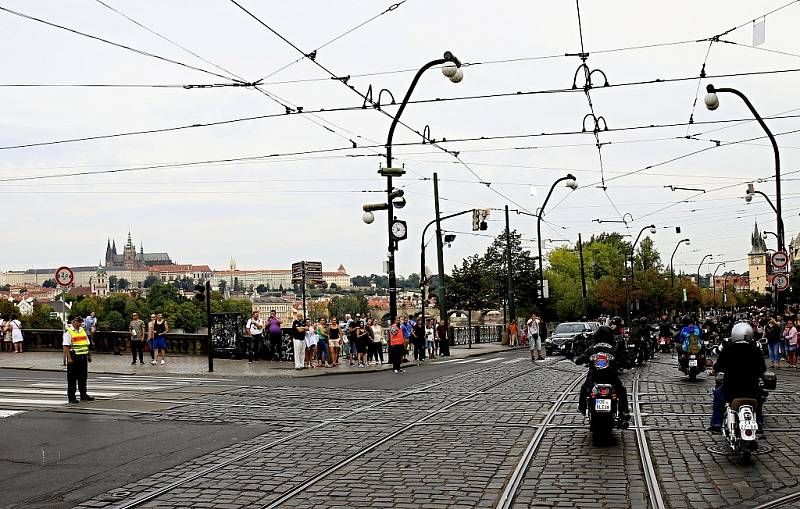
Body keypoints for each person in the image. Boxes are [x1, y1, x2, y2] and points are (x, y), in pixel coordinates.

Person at [708, 321, 767, 432]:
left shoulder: (728, 349)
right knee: (759, 399)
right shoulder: (756, 350)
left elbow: (718, 366)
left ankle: (716, 423)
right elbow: (762, 369)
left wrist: (714, 371)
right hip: (752, 389)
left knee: (717, 394)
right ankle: (758, 422)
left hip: (731, 390)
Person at [575, 325, 630, 420]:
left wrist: (580, 360)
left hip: (594, 379)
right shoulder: (614, 349)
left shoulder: (591, 349)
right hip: (611, 379)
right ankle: (623, 411)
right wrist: (628, 364)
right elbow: (624, 362)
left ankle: (582, 408)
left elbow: (579, 360)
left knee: (584, 389)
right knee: (622, 390)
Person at [62, 316, 94, 404]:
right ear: (73, 322)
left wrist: (89, 355)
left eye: (81, 321)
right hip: (74, 357)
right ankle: (71, 397)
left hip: (83, 356)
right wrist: (69, 357)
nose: (80, 323)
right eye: (78, 321)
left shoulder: (82, 330)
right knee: (72, 378)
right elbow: (66, 346)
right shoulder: (68, 331)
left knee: (83, 377)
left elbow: (86, 343)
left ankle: (83, 395)